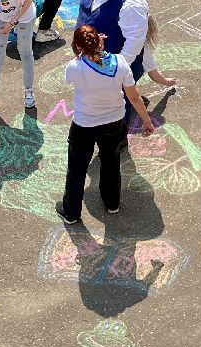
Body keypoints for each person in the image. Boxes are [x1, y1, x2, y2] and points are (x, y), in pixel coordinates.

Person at [56, 24, 156, 224]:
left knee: (77, 169)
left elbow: (72, 78)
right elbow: (134, 97)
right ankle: (112, 203)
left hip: (84, 124)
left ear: (78, 46)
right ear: (100, 42)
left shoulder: (74, 66)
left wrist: (87, 48)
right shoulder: (120, 62)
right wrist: (146, 121)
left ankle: (71, 213)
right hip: (114, 122)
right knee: (111, 163)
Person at [76, 0, 150, 100]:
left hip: (111, 69)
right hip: (89, 61)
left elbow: (135, 41)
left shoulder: (132, 3)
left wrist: (116, 71)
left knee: (116, 105)